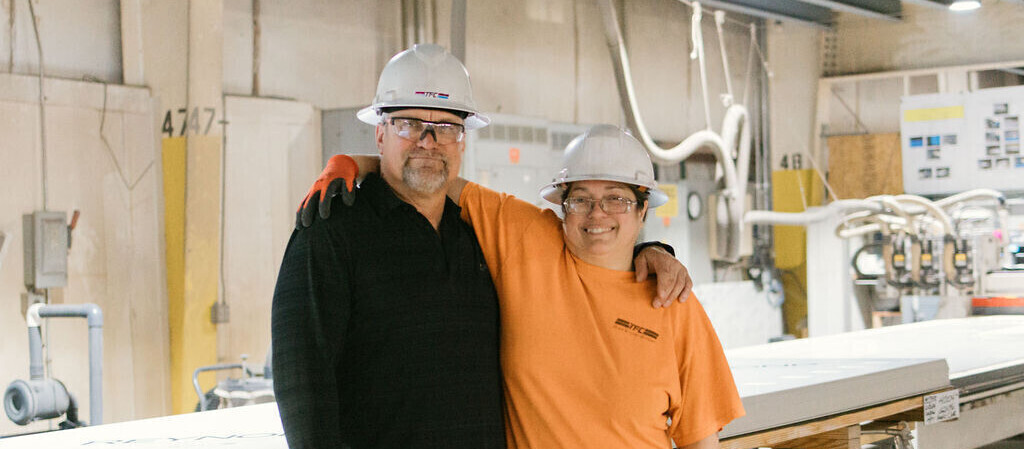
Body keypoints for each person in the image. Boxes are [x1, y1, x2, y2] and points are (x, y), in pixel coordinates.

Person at [273, 44, 691, 449]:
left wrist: (647, 251)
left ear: (462, 141)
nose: (428, 140)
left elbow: (585, 241)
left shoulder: (481, 234)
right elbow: (301, 382)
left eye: (447, 127)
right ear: (380, 134)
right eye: (408, 124)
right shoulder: (330, 231)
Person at [303, 125, 744, 448]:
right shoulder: (526, 239)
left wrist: (658, 253)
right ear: (561, 205)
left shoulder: (674, 303)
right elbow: (428, 171)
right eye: (581, 200)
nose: (597, 214)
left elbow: (700, 442)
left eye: (617, 199)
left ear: (643, 209)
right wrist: (354, 164)